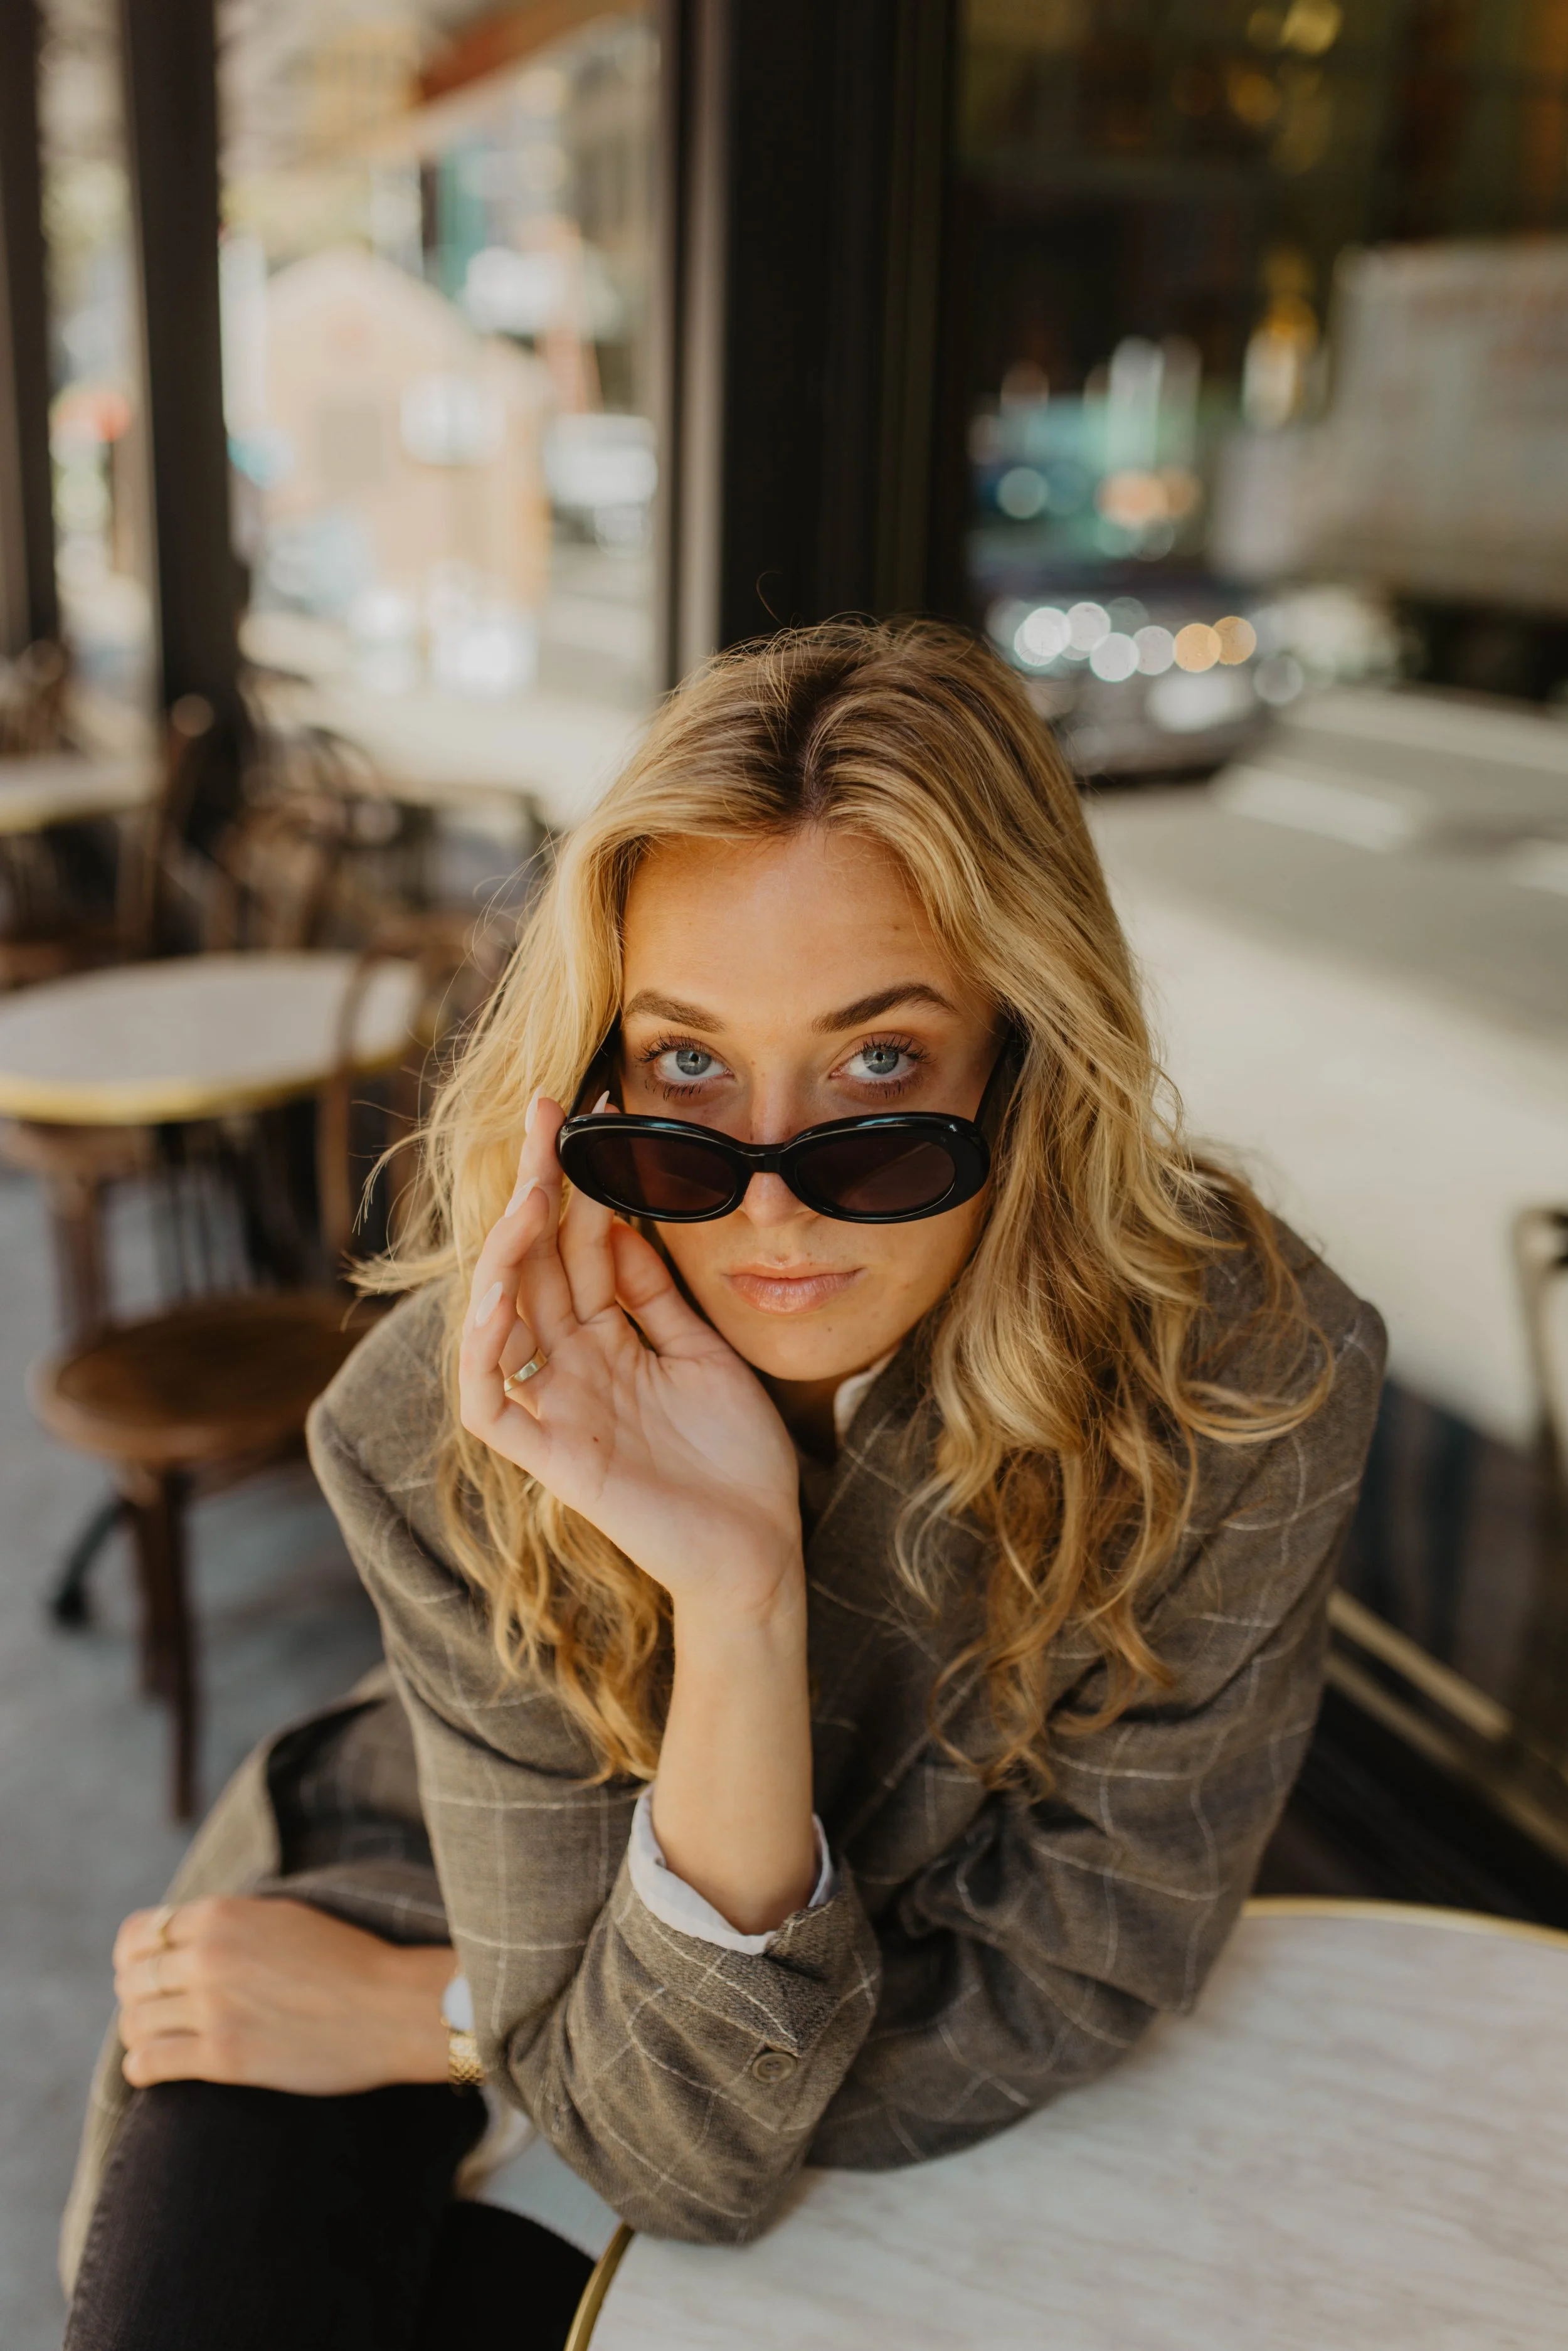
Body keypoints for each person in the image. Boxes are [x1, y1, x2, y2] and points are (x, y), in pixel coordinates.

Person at [62, 620, 1384, 2350]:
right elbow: (658, 2111)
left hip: (772, 1969)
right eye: (686, 1070)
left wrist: (456, 2015)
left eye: (880, 1074)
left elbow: (1040, 1989)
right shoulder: (442, 1405)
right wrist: (503, 1984)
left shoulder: (1248, 1386)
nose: (768, 1204)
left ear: (1029, 1057)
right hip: (444, 1870)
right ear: (595, 1065)